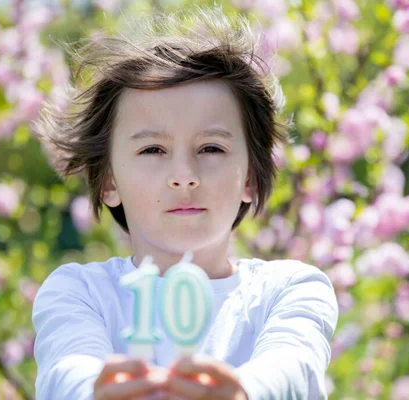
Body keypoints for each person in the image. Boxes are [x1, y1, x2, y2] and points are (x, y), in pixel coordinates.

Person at [32, 7, 338, 400]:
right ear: (109, 181)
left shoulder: (290, 289)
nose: (184, 175)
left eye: (211, 147)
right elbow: (66, 371)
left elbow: (294, 369)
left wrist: (244, 392)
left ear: (249, 176)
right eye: (153, 149)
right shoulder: (80, 292)